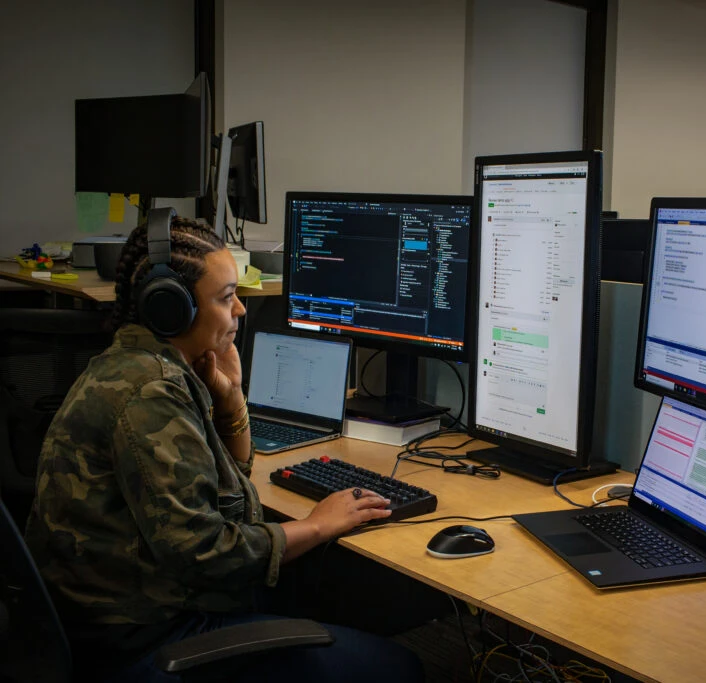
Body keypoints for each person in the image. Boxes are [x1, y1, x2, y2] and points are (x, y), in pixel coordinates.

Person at [24, 216, 423, 682]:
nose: (240, 310)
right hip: (147, 634)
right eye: (225, 296)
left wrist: (232, 401)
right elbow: (208, 553)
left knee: (339, 594)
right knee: (399, 667)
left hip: (124, 608)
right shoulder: (149, 394)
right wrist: (317, 525)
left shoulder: (137, 364)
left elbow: (227, 492)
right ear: (172, 308)